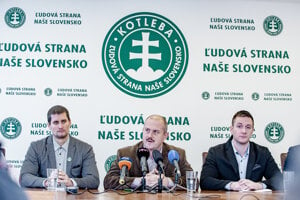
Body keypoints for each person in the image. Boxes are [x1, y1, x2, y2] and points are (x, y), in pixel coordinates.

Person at [103, 114, 194, 190]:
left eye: (155, 132)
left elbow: (194, 182)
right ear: (142, 131)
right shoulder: (125, 153)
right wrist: (139, 181)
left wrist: (168, 182)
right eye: (147, 130)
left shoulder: (176, 154)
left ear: (165, 135)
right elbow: (108, 181)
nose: (149, 135)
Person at [20, 105, 100, 189]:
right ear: (49, 125)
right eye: (55, 122)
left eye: (63, 121)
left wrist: (71, 182)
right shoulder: (36, 147)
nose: (60, 126)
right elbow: (25, 177)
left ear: (70, 122)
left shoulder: (85, 149)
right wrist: (47, 182)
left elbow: (93, 180)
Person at [200, 110, 283, 191]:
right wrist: (231, 185)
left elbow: (279, 180)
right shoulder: (215, 152)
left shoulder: (263, 152)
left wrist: (259, 185)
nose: (244, 131)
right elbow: (205, 181)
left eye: (248, 127)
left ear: (252, 131)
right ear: (231, 129)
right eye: (239, 126)